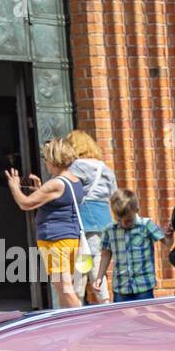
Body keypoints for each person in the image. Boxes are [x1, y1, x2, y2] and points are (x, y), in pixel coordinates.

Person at [5, 137, 85, 308]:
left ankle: (81, 321)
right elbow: (58, 202)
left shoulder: (56, 183)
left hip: (55, 238)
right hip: (70, 237)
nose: (45, 162)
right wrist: (40, 189)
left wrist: (14, 186)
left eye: (46, 158)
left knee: (64, 286)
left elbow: (25, 204)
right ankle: (69, 321)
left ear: (54, 159)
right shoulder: (74, 180)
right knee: (62, 285)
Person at [66, 129, 118, 305]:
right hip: (104, 218)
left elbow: (69, 189)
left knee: (84, 259)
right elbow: (114, 194)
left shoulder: (77, 166)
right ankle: (104, 299)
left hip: (84, 217)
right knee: (97, 257)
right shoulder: (105, 167)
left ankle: (78, 301)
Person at [94, 189, 170, 302]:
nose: (124, 224)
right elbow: (105, 254)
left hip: (144, 287)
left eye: (128, 220)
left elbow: (167, 243)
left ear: (136, 210)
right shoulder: (110, 230)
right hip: (121, 288)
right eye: (119, 220)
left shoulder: (146, 225)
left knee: (145, 319)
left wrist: (170, 234)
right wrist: (99, 277)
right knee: (123, 319)